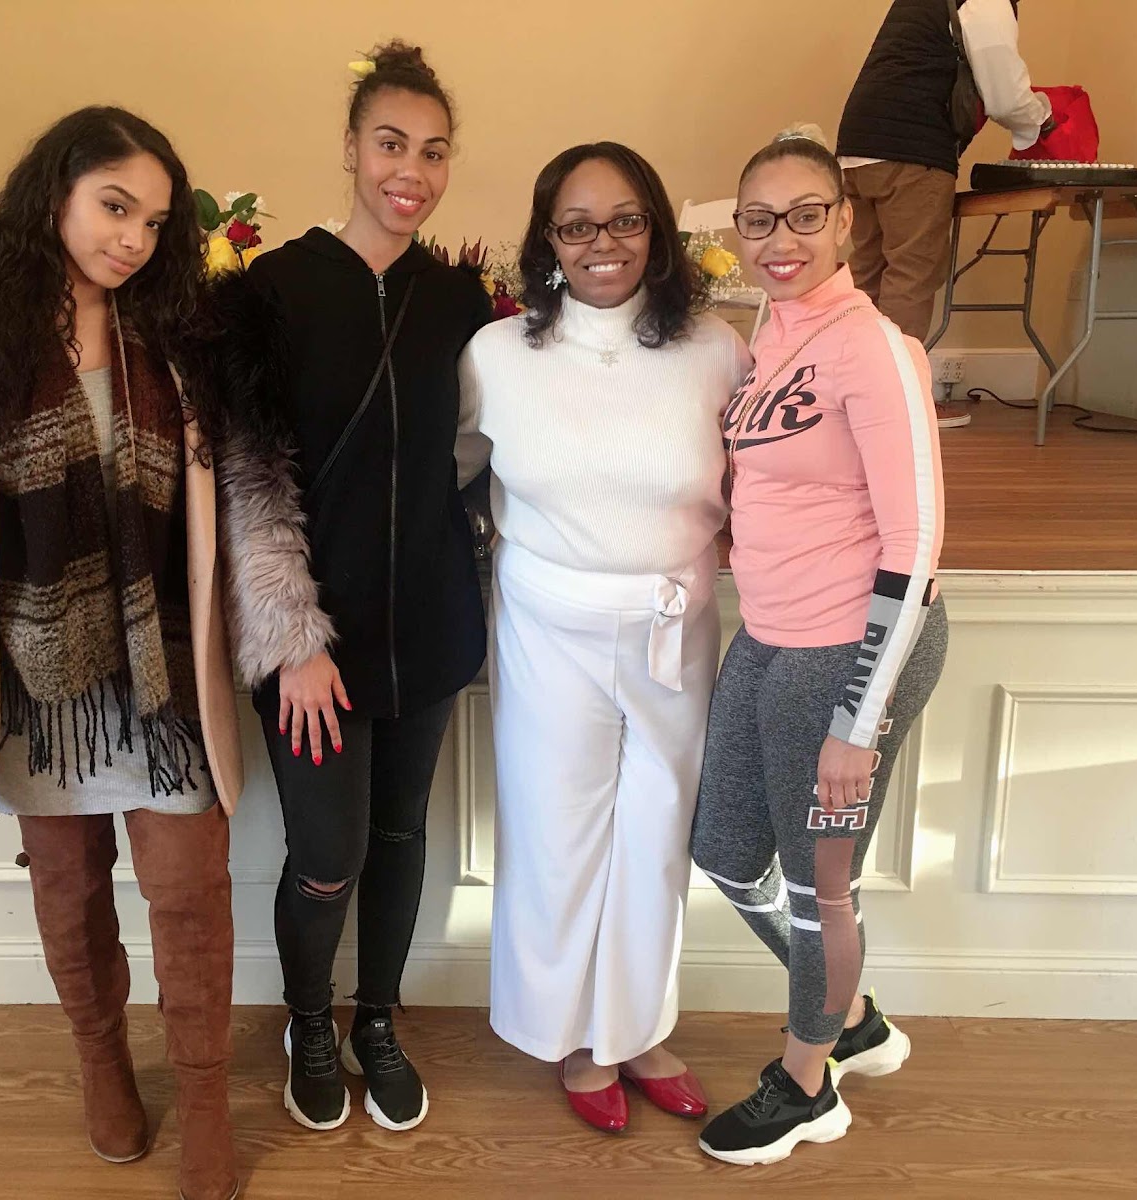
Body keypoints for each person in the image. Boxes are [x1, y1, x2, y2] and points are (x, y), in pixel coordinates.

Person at [0, 106, 319, 1200]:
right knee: (69, 888)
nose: (132, 239)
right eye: (114, 207)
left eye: (155, 221)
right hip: (35, 677)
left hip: (165, 663)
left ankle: (205, 1100)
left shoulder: (175, 330)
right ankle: (101, 1064)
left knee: (189, 889)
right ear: (55, 195)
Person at [198, 41, 490, 1134]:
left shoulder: (458, 299)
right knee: (328, 856)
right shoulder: (270, 293)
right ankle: (309, 1021)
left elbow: (475, 450)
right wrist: (293, 639)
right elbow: (247, 474)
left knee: (403, 838)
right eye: (390, 144)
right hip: (314, 640)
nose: (410, 171)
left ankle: (377, 1019)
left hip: (428, 625)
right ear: (352, 148)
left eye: (433, 151)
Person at [457, 143, 753, 1133]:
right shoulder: (496, 355)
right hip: (546, 621)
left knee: (656, 833)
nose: (602, 243)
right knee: (557, 834)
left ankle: (640, 1032)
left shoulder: (715, 349)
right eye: (576, 225)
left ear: (656, 230)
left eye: (625, 219)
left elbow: (768, 482)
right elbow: (445, 471)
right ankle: (574, 1041)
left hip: (675, 619)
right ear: (548, 239)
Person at [690, 126, 949, 1166]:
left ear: (844, 220)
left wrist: (858, 717)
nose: (781, 239)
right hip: (768, 634)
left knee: (816, 889)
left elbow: (916, 541)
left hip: (846, 649)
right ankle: (854, 1019)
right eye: (760, 221)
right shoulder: (770, 336)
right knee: (723, 854)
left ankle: (807, 1085)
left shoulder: (873, 346)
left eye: (806, 215)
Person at [837, 0, 1054, 426]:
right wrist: (1041, 118)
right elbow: (1005, 95)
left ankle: (847, 396)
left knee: (867, 275)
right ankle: (897, 404)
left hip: (858, 146)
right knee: (910, 277)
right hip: (911, 150)